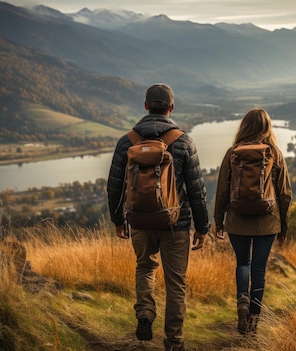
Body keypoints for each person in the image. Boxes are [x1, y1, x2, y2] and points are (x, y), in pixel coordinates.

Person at [107, 83, 210, 351]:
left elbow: (114, 185)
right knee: (176, 282)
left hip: (139, 220)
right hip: (177, 223)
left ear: (145, 106)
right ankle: (174, 341)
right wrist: (202, 227)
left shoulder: (126, 142)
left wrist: (118, 220)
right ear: (171, 108)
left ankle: (145, 313)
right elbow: (197, 190)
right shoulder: (184, 141)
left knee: (145, 267)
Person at [214, 108, 292, 334]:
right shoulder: (274, 153)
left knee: (242, 263)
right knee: (259, 269)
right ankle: (253, 320)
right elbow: (285, 193)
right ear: (267, 127)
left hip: (237, 220)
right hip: (267, 222)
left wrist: (219, 222)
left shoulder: (233, 152)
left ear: (244, 126)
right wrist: (284, 227)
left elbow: (222, 191)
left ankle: (242, 302)